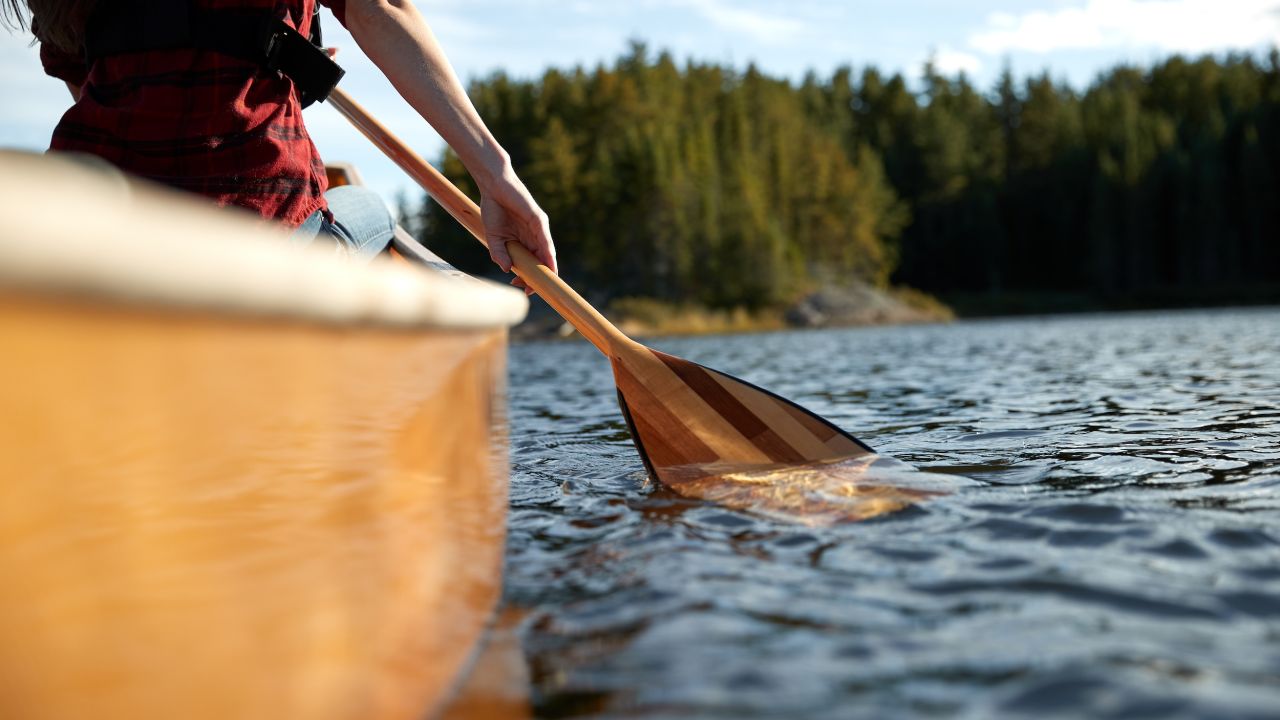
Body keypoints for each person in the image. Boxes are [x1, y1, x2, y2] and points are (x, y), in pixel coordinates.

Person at [1, 0, 556, 282]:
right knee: (372, 208)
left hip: (95, 228)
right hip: (258, 223)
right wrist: (495, 171)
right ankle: (449, 291)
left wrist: (278, 68)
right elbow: (378, 8)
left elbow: (94, 83)